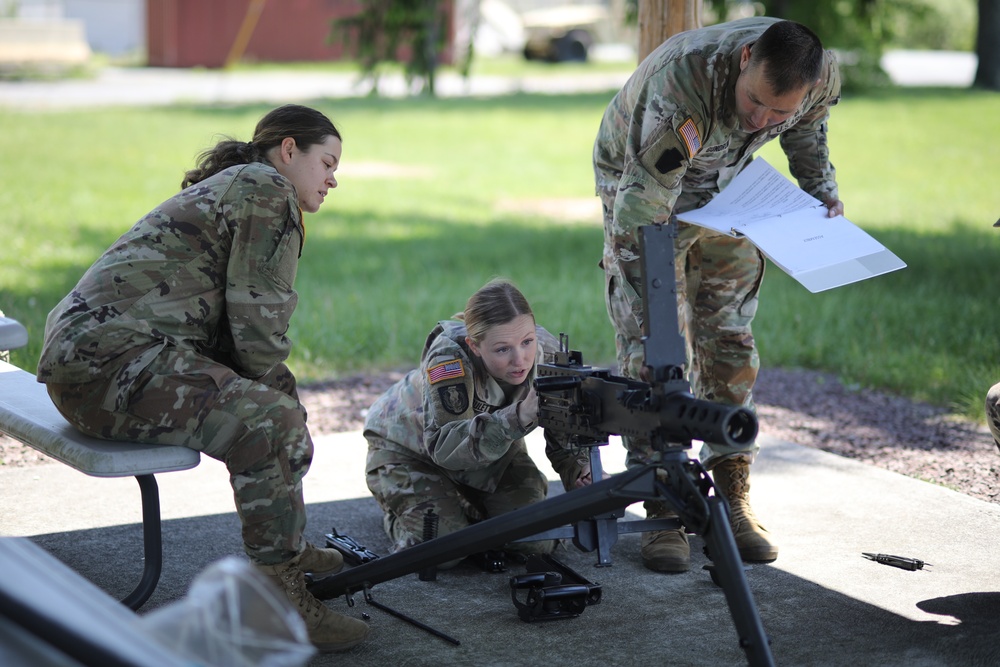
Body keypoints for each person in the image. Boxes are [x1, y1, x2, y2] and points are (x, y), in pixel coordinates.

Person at [35, 104, 369, 652]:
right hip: (109, 369)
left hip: (95, 365)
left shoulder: (238, 184)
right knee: (271, 417)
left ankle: (284, 548)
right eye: (327, 161)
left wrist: (272, 386)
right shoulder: (267, 188)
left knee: (275, 398)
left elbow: (235, 336)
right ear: (289, 150)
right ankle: (279, 598)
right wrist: (274, 402)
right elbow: (257, 326)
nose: (334, 177)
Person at [593, 17, 843, 572]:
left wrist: (820, 190)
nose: (762, 120)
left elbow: (808, 128)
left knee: (729, 333)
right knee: (657, 343)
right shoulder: (685, 85)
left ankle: (732, 491)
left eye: (778, 111)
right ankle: (664, 497)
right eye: (754, 101)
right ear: (745, 56)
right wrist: (647, 292)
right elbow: (647, 197)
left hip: (730, 192)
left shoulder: (817, 78)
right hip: (642, 187)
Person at [363, 279, 591, 566]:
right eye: (502, 349)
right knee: (442, 549)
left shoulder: (551, 355)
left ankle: (469, 508)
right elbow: (445, 448)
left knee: (534, 542)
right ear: (475, 346)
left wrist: (580, 469)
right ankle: (404, 511)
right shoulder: (449, 358)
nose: (520, 359)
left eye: (527, 342)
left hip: (489, 454)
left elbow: (564, 432)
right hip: (408, 450)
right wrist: (518, 416)